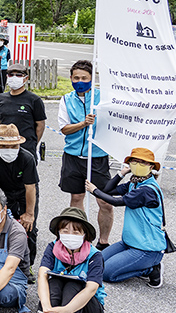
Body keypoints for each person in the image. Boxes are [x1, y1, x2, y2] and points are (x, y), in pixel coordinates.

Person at [86, 148, 165, 288]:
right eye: (135, 161)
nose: (138, 165)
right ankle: (139, 265)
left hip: (146, 249)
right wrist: (121, 173)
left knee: (106, 274)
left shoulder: (147, 190)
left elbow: (116, 202)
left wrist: (94, 191)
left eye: (143, 162)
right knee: (95, 262)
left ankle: (151, 269)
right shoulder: (135, 182)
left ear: (151, 167)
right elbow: (108, 190)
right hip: (129, 242)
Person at [59, 60, 113, 249]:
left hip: (97, 157)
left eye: (84, 78)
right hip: (73, 157)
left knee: (104, 201)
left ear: (92, 79)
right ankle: (76, 238)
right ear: (71, 79)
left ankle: (104, 242)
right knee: (76, 198)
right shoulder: (66, 99)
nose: (80, 81)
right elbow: (64, 129)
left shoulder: (102, 98)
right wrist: (83, 124)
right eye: (76, 78)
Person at [0, 124, 40, 277]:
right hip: (2, 192)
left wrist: (29, 213)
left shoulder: (27, 158)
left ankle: (28, 266)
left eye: (13, 146)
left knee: (29, 228)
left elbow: (30, 188)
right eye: (4, 146)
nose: (9, 150)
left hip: (24, 193)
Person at [37, 207, 106, 313]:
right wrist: (46, 306)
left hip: (88, 304)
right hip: (60, 297)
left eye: (76, 232)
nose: (70, 235)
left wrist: (66, 310)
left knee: (73, 284)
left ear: (84, 234)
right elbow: (42, 275)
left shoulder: (95, 256)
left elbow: (91, 288)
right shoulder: (53, 248)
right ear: (58, 232)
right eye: (65, 231)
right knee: (54, 282)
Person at [0, 63, 47, 160]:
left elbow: (40, 125)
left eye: (18, 75)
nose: (14, 78)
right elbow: (0, 122)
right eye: (11, 75)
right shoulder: (0, 99)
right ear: (7, 77)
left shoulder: (34, 100)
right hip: (5, 146)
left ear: (26, 78)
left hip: (26, 147)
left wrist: (33, 143)